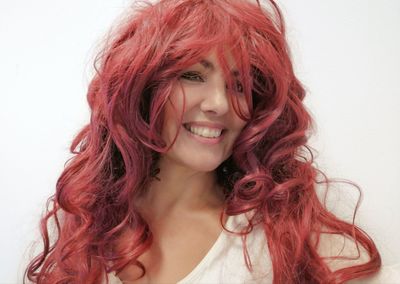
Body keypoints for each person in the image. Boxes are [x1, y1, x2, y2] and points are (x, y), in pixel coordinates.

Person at [24, 0, 390, 283]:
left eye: (239, 86)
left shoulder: (278, 240)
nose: (218, 104)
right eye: (193, 75)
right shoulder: (81, 223)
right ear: (143, 87)